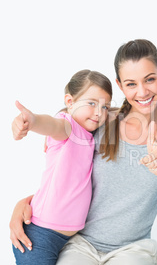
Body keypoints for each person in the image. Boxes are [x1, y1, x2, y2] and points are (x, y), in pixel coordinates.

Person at [10, 39, 157, 265]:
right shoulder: (101, 121)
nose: (142, 91)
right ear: (120, 85)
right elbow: (61, 142)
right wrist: (23, 204)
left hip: (133, 249)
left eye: (150, 79)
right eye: (131, 84)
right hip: (81, 244)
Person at [11, 69, 113, 264]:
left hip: (66, 239)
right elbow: (51, 124)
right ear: (70, 102)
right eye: (91, 103)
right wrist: (32, 121)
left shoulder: (88, 134)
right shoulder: (69, 128)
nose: (99, 112)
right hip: (40, 235)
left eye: (105, 106)